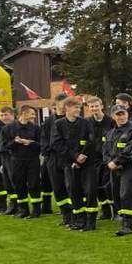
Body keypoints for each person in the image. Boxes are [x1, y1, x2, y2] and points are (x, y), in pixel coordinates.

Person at [51, 97, 96, 231]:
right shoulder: (58, 124)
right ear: (67, 108)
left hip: (87, 163)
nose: (78, 110)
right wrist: (75, 158)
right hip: (69, 163)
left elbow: (91, 140)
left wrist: (83, 156)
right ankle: (79, 220)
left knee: (89, 191)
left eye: (79, 107)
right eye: (75, 107)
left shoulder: (86, 123)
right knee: (74, 191)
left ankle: (91, 222)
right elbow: (56, 143)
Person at [103, 105, 132, 236]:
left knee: (127, 194)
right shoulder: (111, 132)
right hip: (114, 169)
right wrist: (109, 162)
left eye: (123, 114)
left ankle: (128, 224)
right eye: (118, 114)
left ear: (127, 114)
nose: (121, 117)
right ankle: (123, 219)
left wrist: (116, 161)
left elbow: (131, 149)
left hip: (129, 168)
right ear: (113, 116)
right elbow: (106, 149)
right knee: (116, 194)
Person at [1, 105, 41, 218]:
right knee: (19, 185)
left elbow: (41, 145)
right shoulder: (8, 129)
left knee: (34, 185)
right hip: (16, 161)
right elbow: (4, 146)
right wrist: (15, 141)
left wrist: (31, 143)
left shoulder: (36, 128)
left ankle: (36, 210)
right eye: (32, 114)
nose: (34, 116)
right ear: (23, 113)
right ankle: (23, 210)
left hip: (32, 160)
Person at [41, 94, 72, 224]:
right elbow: (43, 138)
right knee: (57, 187)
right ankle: (66, 214)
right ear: (57, 104)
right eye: (63, 103)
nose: (65, 106)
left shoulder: (72, 119)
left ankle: (76, 213)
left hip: (69, 157)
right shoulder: (49, 121)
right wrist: (47, 153)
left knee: (72, 186)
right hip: (53, 158)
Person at [84, 96, 113, 221]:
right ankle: (105, 211)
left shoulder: (110, 121)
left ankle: (116, 211)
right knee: (97, 185)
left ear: (101, 106)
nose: (94, 108)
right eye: (91, 106)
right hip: (93, 159)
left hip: (108, 158)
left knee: (109, 185)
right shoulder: (87, 122)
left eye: (96, 106)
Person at [0, 106, 17, 215]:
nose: (4, 117)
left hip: (13, 158)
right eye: (2, 115)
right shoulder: (2, 127)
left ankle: (18, 206)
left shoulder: (16, 127)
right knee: (7, 182)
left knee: (15, 182)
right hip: (5, 158)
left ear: (12, 115)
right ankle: (13, 205)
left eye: (6, 115)